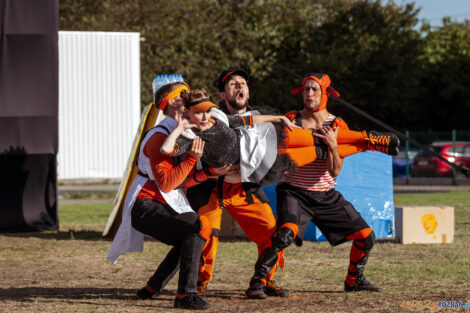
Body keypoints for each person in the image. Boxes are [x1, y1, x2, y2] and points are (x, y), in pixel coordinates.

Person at [246, 72, 387, 294]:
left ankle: (354, 280)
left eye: (315, 89)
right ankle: (258, 282)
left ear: (325, 93)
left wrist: (331, 144)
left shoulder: (337, 124)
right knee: (285, 234)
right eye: (306, 89)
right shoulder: (291, 119)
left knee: (366, 236)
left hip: (325, 194)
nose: (309, 94)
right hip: (294, 192)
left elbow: (335, 170)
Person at [107, 81, 230, 310]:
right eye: (185, 94)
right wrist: (193, 159)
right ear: (173, 102)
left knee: (191, 236)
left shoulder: (181, 133)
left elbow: (181, 182)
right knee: (198, 227)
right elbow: (168, 183)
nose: (192, 96)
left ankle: (153, 288)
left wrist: (210, 172)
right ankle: (185, 296)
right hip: (144, 204)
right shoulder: (158, 136)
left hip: (160, 199)